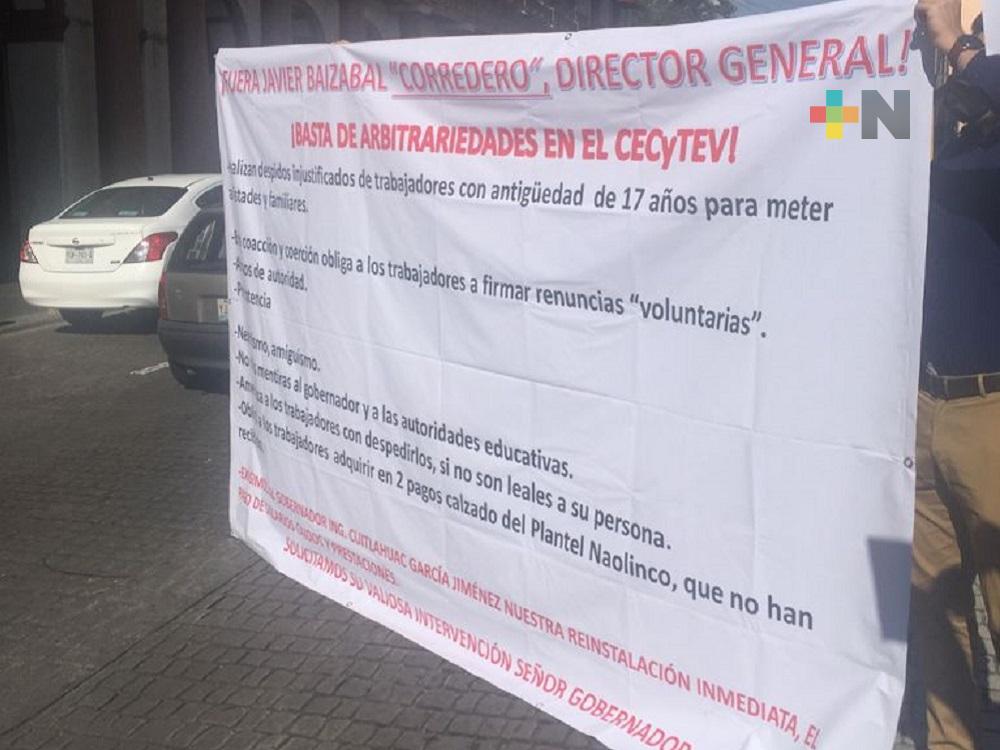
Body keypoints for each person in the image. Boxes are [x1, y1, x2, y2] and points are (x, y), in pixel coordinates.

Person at [911, 1, 1000, 748]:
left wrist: (960, 45)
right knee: (933, 614)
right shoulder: (914, 136)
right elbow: (819, 125)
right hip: (919, 405)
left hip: (990, 410)